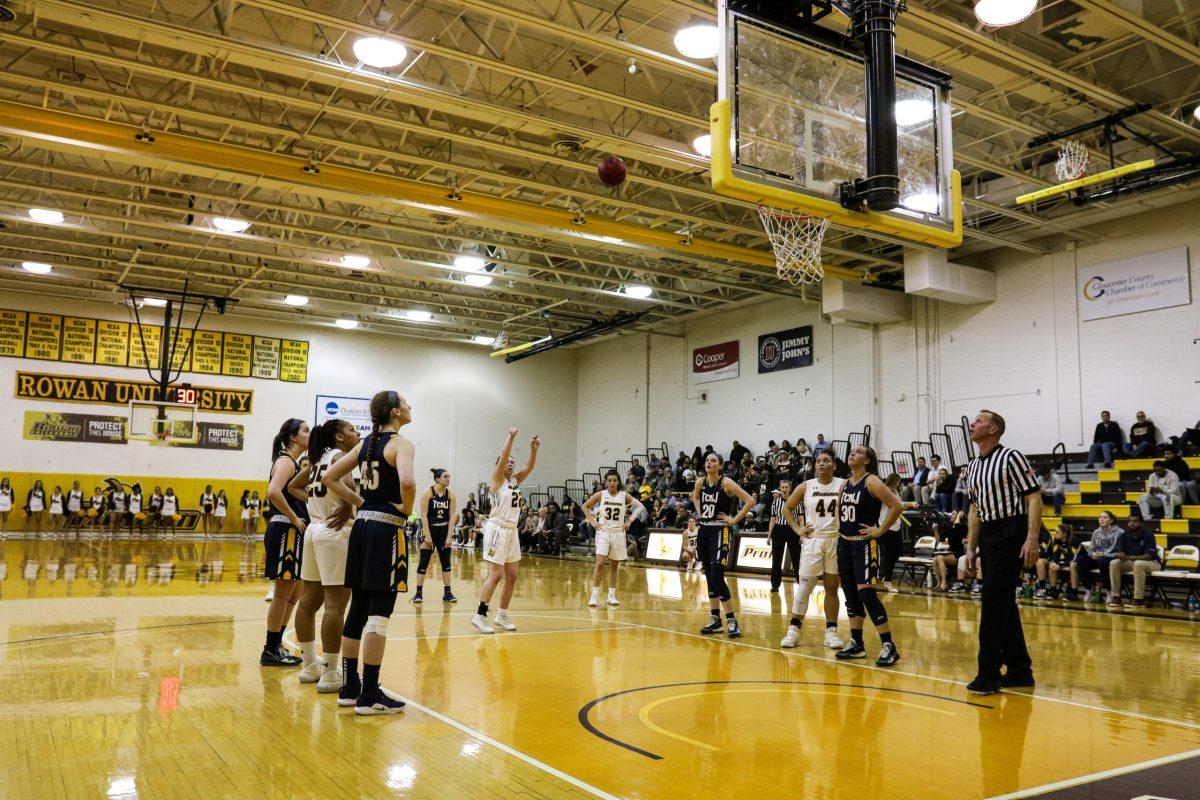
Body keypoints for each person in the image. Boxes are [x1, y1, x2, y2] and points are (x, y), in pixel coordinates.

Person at [322, 389, 416, 715]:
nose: (409, 406)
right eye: (405, 403)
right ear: (394, 412)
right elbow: (406, 480)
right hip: (386, 529)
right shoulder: (401, 444)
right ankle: (371, 694)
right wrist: (407, 507)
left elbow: (329, 477)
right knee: (380, 611)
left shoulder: (366, 444)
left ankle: (350, 687)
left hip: (362, 527)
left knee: (358, 606)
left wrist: (361, 503)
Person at [961, 410, 1043, 695]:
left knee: (993, 601)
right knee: (1003, 602)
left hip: (1012, 530)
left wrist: (1032, 538)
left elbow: (1033, 497)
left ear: (994, 429)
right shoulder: (972, 466)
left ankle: (989, 673)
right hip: (988, 533)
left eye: (979, 421)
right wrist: (971, 547)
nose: (973, 424)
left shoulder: (1011, 457)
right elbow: (974, 509)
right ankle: (1020, 670)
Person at [289, 417, 361, 692]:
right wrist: (349, 506)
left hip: (314, 529)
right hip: (334, 531)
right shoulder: (341, 456)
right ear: (340, 437)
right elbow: (348, 488)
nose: (356, 433)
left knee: (308, 601)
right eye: (352, 430)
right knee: (335, 605)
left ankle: (309, 666)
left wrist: (315, 502)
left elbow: (293, 486)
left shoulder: (315, 459)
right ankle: (331, 673)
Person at [832, 446, 904, 666]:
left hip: (864, 545)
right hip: (845, 544)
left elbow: (897, 506)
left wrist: (879, 530)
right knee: (851, 595)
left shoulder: (871, 481)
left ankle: (888, 645)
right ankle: (856, 643)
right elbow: (838, 506)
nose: (853, 453)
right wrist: (839, 527)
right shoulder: (845, 483)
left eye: (859, 451)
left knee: (867, 595)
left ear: (868, 460)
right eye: (852, 451)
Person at [472, 428, 540, 634]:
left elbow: (529, 467)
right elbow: (503, 457)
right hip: (497, 529)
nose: (510, 463)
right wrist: (511, 437)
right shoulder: (497, 480)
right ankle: (480, 615)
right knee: (496, 575)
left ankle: (501, 614)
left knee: (512, 576)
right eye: (507, 461)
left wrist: (533, 449)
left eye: (513, 461)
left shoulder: (514, 481)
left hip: (512, 531)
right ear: (500, 465)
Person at [779, 453, 846, 649]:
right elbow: (787, 508)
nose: (822, 464)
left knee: (832, 588)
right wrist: (798, 529)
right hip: (813, 540)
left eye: (826, 460)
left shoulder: (843, 484)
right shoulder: (805, 486)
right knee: (804, 587)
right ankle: (794, 631)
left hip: (835, 539)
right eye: (818, 461)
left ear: (834, 465)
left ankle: (831, 632)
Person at [260, 417, 311, 668]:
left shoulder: (293, 462)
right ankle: (270, 648)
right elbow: (273, 491)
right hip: (285, 529)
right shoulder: (285, 461)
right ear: (293, 437)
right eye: (305, 430)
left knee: (295, 592)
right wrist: (294, 518)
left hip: (293, 531)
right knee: (283, 593)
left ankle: (276, 644)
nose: (308, 433)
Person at [693, 452, 755, 638]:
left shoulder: (726, 483)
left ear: (720, 466)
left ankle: (731, 620)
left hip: (720, 530)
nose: (709, 463)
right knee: (708, 576)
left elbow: (750, 501)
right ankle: (715, 620)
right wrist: (699, 513)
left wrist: (734, 519)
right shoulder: (700, 482)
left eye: (713, 461)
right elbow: (696, 498)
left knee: (717, 576)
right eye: (707, 461)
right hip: (704, 529)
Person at [583, 470, 644, 606]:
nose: (612, 483)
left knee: (614, 565)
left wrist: (629, 521)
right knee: (600, 563)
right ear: (606, 483)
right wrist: (592, 521)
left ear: (618, 482)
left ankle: (611, 596)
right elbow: (585, 506)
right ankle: (594, 596)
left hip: (618, 532)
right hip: (604, 532)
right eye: (609, 480)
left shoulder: (624, 495)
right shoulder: (601, 494)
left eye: (614, 480)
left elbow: (640, 506)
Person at [413, 469, 458, 605]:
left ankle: (447, 593)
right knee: (424, 562)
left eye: (449, 476)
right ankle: (418, 593)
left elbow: (452, 517)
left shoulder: (451, 495)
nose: (448, 478)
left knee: (446, 563)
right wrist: (427, 535)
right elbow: (424, 515)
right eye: (445, 476)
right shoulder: (427, 493)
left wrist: (449, 536)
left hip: (444, 530)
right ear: (437, 479)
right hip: (430, 528)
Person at [1107, 515, 1159, 609]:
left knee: (1138, 563)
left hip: (1152, 563)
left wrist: (1128, 557)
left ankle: (1139, 600)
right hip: (1133, 563)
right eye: (1130, 521)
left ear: (1141, 523)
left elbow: (1148, 556)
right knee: (1114, 563)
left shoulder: (1148, 534)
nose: (1132, 523)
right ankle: (1116, 597)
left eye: (1135, 521)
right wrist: (1121, 554)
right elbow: (1121, 551)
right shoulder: (1124, 535)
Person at [1071, 510, 1122, 603]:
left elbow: (1120, 552)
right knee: (1081, 559)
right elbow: (1091, 549)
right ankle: (1089, 587)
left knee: (1103, 560)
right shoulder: (1096, 532)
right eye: (1100, 517)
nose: (1101, 519)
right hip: (1098, 557)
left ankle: (1109, 590)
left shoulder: (1119, 532)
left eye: (1105, 517)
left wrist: (1105, 555)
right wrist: (1092, 554)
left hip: (1111, 558)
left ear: (1111, 520)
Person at [881, 473, 918, 592]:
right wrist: (910, 504)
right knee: (888, 556)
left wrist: (908, 504)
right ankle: (887, 581)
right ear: (894, 481)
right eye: (898, 481)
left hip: (896, 527)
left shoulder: (895, 492)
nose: (899, 484)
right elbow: (895, 505)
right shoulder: (884, 490)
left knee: (894, 555)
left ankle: (885, 578)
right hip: (887, 527)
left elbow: (899, 504)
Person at [767, 480, 800, 593]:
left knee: (796, 559)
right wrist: (769, 536)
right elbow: (772, 519)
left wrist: (801, 533)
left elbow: (801, 518)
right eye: (782, 487)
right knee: (776, 560)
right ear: (780, 489)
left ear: (790, 488)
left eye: (786, 487)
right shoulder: (776, 502)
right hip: (778, 530)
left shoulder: (797, 500)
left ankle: (801, 583)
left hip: (793, 530)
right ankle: (775, 585)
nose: (784, 489)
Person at [1037, 525, 1076, 600]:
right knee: (1052, 564)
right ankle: (1053, 590)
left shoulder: (1073, 540)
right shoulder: (1057, 540)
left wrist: (1061, 563)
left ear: (1064, 534)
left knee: (1072, 564)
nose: (1055, 534)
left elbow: (1074, 557)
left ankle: (1074, 592)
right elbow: (1055, 554)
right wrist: (1056, 563)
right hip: (1068, 561)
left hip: (1079, 561)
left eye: (1057, 532)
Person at [933, 511, 968, 592]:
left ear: (959, 517)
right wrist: (935, 530)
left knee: (939, 558)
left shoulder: (962, 527)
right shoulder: (951, 528)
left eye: (954, 514)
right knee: (935, 560)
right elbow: (939, 541)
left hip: (958, 554)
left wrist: (959, 517)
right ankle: (939, 583)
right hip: (950, 553)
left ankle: (944, 583)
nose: (951, 516)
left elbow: (954, 540)